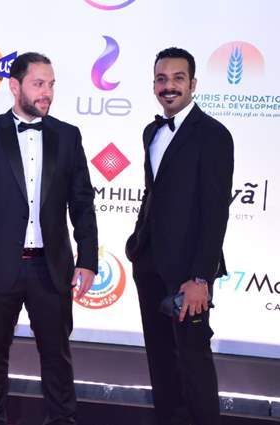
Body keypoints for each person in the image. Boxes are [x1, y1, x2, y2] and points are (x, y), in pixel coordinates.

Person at [0, 52, 99, 425]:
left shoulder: (68, 136)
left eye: (51, 84)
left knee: (57, 358)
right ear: (14, 86)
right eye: (38, 84)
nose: (46, 92)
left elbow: (82, 202)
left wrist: (87, 259)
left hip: (51, 269)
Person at [125, 47, 234, 425]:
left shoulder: (214, 135)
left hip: (189, 273)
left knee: (193, 361)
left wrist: (201, 277)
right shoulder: (151, 132)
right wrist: (137, 242)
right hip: (149, 264)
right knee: (160, 361)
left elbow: (216, 211)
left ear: (193, 84)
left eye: (177, 78)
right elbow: (153, 192)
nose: (168, 86)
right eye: (161, 79)